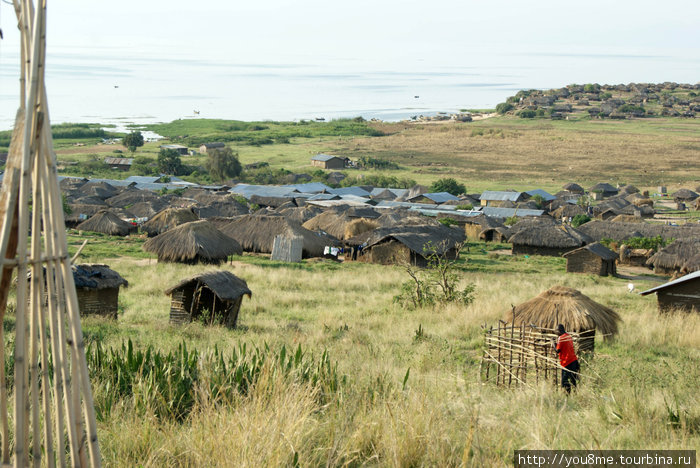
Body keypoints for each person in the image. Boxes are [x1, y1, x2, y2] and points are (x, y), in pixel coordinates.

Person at [553, 324, 579, 393]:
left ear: (559, 331)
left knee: (565, 381)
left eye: (556, 331)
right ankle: (575, 394)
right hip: (573, 360)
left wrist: (553, 343)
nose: (556, 333)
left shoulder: (561, 338)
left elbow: (558, 350)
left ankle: (568, 396)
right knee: (573, 379)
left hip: (566, 362)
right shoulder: (568, 336)